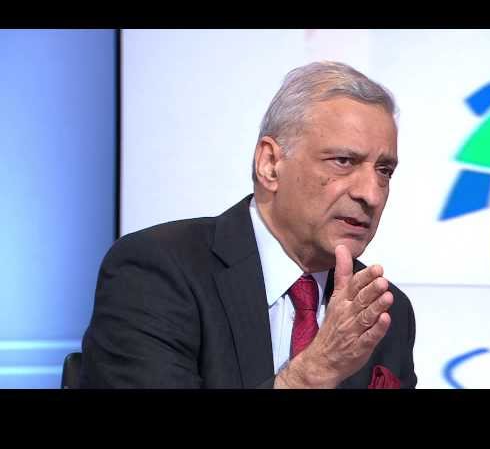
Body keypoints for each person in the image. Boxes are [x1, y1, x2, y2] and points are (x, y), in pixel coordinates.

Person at [79, 61, 417, 388]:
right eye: (343, 161)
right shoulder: (158, 271)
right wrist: (314, 375)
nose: (371, 194)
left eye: (384, 171)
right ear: (270, 164)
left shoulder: (385, 312)